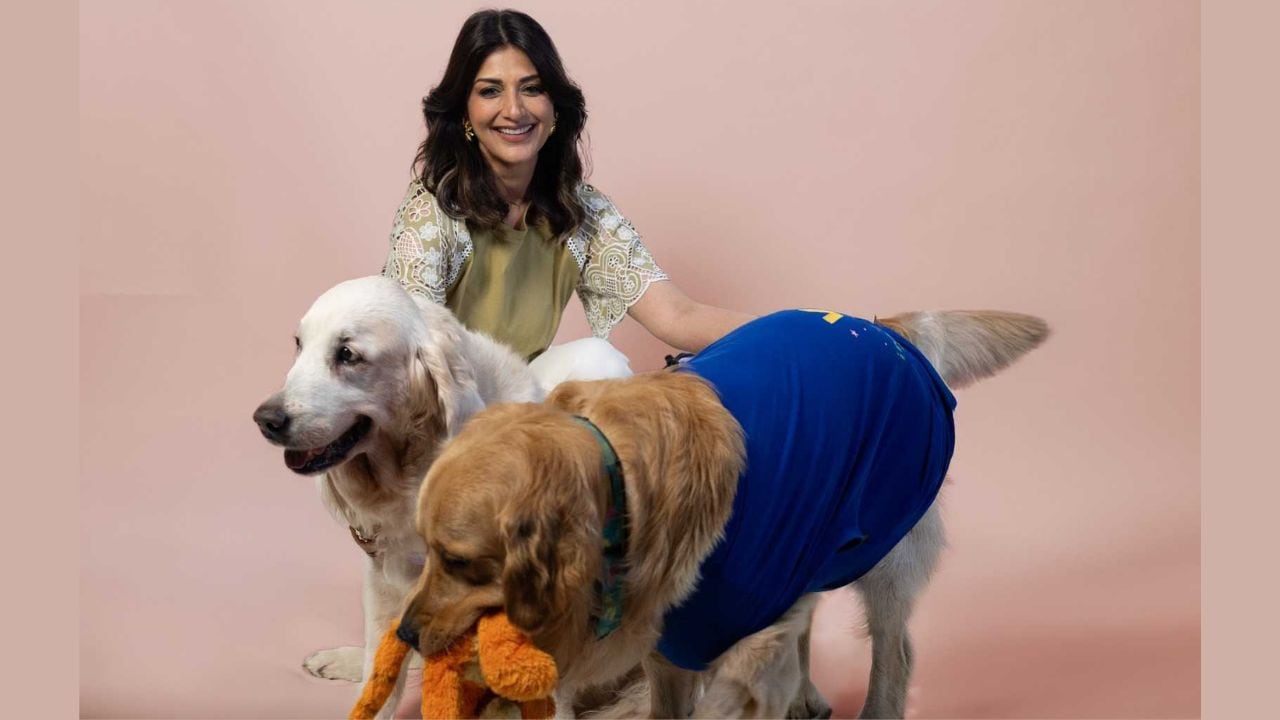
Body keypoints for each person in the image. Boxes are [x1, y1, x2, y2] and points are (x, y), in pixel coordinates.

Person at [381, 9, 752, 387]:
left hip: (525, 394)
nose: (514, 110)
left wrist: (787, 329)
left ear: (555, 107)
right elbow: (410, 355)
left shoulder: (580, 210)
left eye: (532, 88)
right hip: (448, 398)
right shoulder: (432, 213)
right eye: (490, 91)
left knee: (597, 360)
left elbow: (676, 314)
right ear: (465, 112)